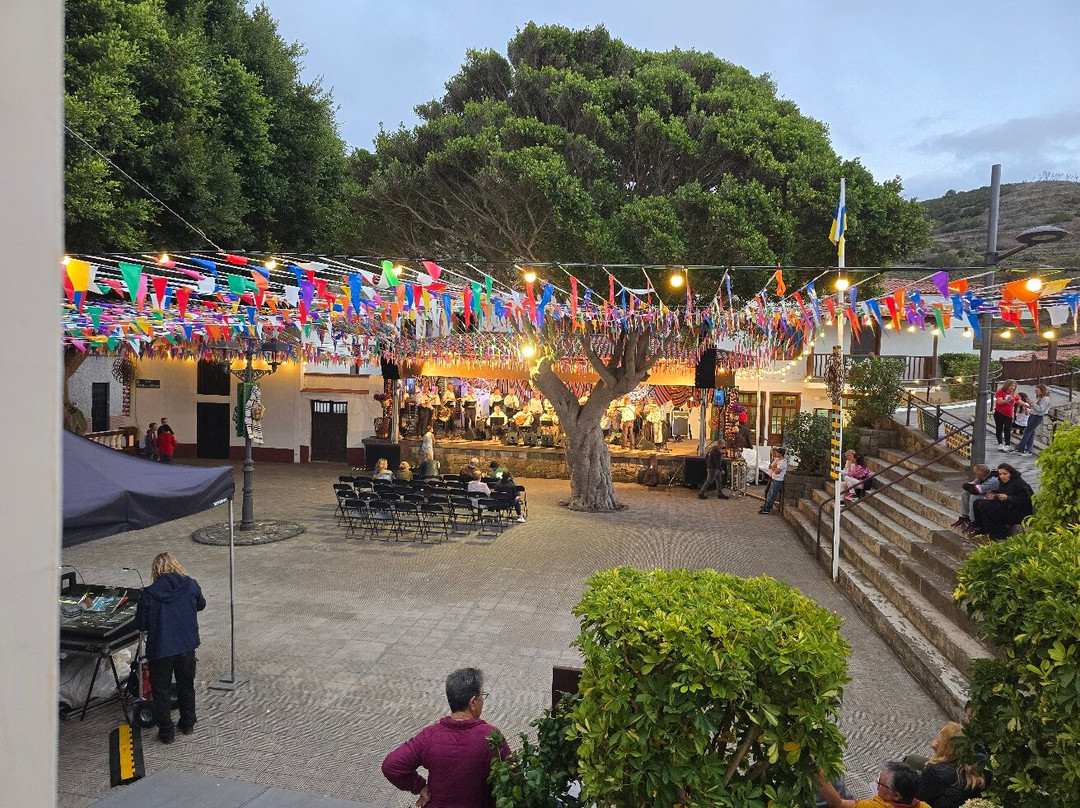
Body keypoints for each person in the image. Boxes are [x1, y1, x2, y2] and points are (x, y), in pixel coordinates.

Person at [382, 667, 511, 808]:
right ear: (473, 702)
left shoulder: (429, 736)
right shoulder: (490, 737)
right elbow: (513, 775)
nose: (483, 700)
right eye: (482, 695)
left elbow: (391, 765)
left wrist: (419, 787)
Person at [134, 552, 206, 744]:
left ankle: (166, 734)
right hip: (186, 645)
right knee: (186, 685)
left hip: (160, 649)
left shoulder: (148, 594)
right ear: (176, 566)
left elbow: (140, 624)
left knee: (161, 690)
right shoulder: (191, 584)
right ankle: (188, 723)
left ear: (155, 571)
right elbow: (201, 604)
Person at [913, 722, 985, 808]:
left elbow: (918, 797)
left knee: (906, 774)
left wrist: (936, 757)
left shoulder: (936, 771)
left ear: (945, 747)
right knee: (913, 760)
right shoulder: (974, 769)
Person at [818, 760, 930, 808]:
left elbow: (838, 804)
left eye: (881, 784)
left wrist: (820, 776)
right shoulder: (924, 806)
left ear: (896, 795)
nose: (877, 785)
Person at [971, 462, 1034, 541]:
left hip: (1018, 513)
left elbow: (1025, 500)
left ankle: (999, 534)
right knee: (977, 503)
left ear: (1011, 473)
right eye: (1000, 474)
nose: (1002, 476)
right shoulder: (1003, 483)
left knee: (985, 505)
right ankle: (982, 528)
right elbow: (1003, 492)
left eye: (1005, 474)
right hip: (1007, 507)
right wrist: (994, 494)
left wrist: (1008, 498)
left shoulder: (1019, 483)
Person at [952, 464, 1000, 535]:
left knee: (974, 496)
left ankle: (973, 522)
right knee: (966, 493)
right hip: (986, 495)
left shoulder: (993, 481)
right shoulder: (979, 479)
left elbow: (976, 490)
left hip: (995, 500)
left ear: (980, 474)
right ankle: (965, 517)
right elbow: (965, 486)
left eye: (976, 473)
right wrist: (971, 486)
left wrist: (972, 486)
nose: (975, 475)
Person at [1016, 384, 1051, 455]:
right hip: (1032, 415)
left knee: (1027, 432)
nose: (1036, 392)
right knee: (1031, 433)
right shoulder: (1040, 397)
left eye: (1037, 391)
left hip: (1037, 416)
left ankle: (1020, 448)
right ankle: (1029, 449)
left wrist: (1033, 404)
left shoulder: (1046, 399)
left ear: (1042, 390)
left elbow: (1041, 409)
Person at [759, 447, 788, 514]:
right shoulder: (778, 460)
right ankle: (767, 506)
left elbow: (777, 471)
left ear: (780, 453)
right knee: (769, 493)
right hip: (774, 479)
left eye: (777, 452)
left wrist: (772, 468)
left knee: (772, 495)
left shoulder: (783, 462)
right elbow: (771, 465)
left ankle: (767, 509)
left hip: (778, 480)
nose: (776, 453)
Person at [993, 380, 1020, 451]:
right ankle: (1000, 443)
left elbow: (1018, 400)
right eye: (1011, 385)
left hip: (1009, 414)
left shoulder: (1014, 393)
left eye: (1014, 386)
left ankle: (1007, 444)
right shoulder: (1000, 392)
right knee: (999, 428)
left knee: (1007, 429)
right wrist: (1007, 400)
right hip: (999, 412)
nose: (1013, 387)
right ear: (1007, 385)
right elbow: (999, 401)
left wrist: (1027, 404)